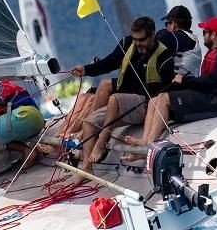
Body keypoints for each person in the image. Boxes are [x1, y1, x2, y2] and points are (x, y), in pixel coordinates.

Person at [125, 17, 217, 154]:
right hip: (208, 95)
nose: (203, 35)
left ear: (213, 35)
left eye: (205, 32)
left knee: (165, 99)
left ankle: (149, 144)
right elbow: (206, 82)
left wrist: (185, 80)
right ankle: (145, 140)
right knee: (155, 100)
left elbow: (214, 80)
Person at [70, 16, 175, 172]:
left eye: (142, 39)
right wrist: (86, 69)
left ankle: (101, 144)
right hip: (123, 102)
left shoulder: (164, 57)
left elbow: (165, 92)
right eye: (135, 39)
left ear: (153, 34)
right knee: (89, 122)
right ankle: (86, 168)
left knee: (114, 99)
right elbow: (109, 62)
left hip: (143, 105)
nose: (138, 43)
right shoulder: (127, 44)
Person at [159, 5, 201, 75]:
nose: (166, 27)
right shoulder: (190, 39)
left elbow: (161, 36)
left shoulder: (181, 38)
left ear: (172, 24)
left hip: (183, 84)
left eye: (167, 24)